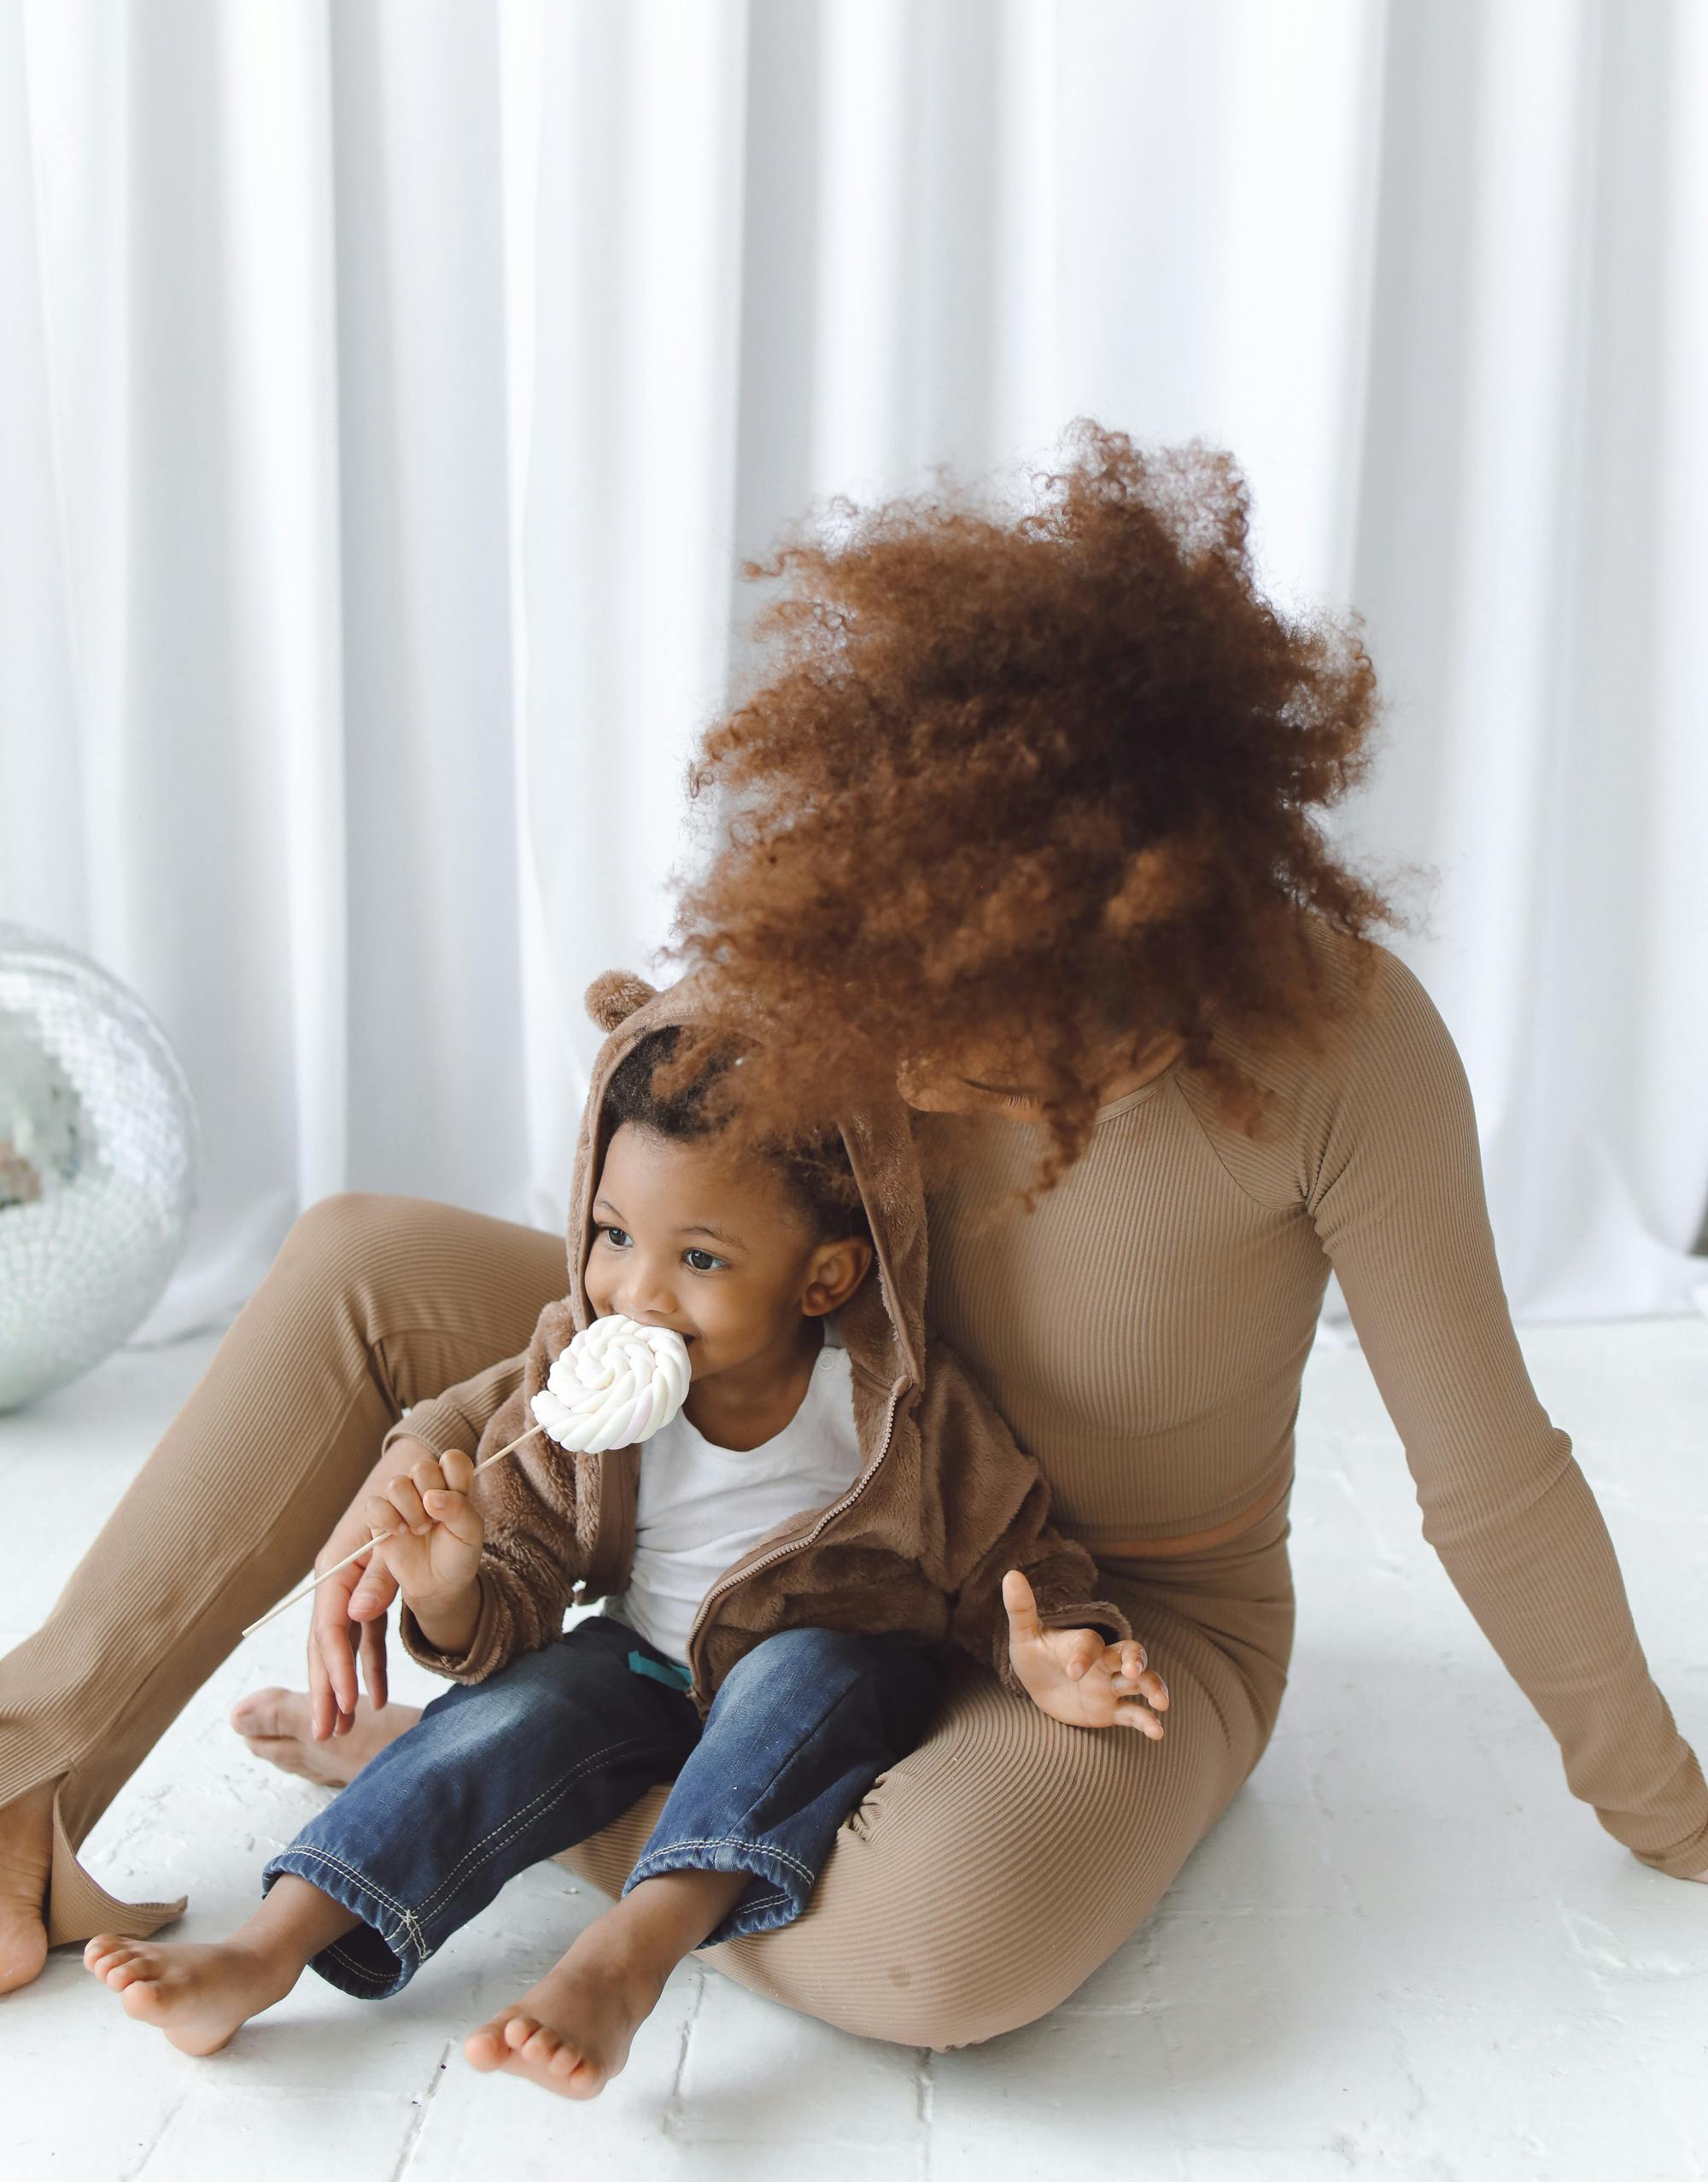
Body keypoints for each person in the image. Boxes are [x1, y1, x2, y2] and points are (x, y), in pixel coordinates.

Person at [3, 422, 1703, 2039]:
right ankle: (24, 1789)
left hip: (1088, 1613)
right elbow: (627, 1267)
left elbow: (1491, 1483)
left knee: (935, 1951)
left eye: (983, 1000)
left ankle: (468, 1783)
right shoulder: (862, 943)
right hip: (781, 1434)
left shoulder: (1341, 1045)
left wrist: (1665, 1812)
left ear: (1141, 917)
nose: (911, 1050)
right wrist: (448, 1460)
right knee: (359, 1256)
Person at [80, 992, 1161, 2093]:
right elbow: (522, 1589)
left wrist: (1051, 1644)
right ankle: (265, 1949)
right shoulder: (574, 1373)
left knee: (809, 1672)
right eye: (613, 1236)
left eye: (699, 1257)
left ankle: (620, 1965)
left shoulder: (893, 1406)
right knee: (511, 1714)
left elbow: (1010, 1556)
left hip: (825, 1660)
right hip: (642, 1657)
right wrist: (453, 1589)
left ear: (823, 1278)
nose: (635, 1292)